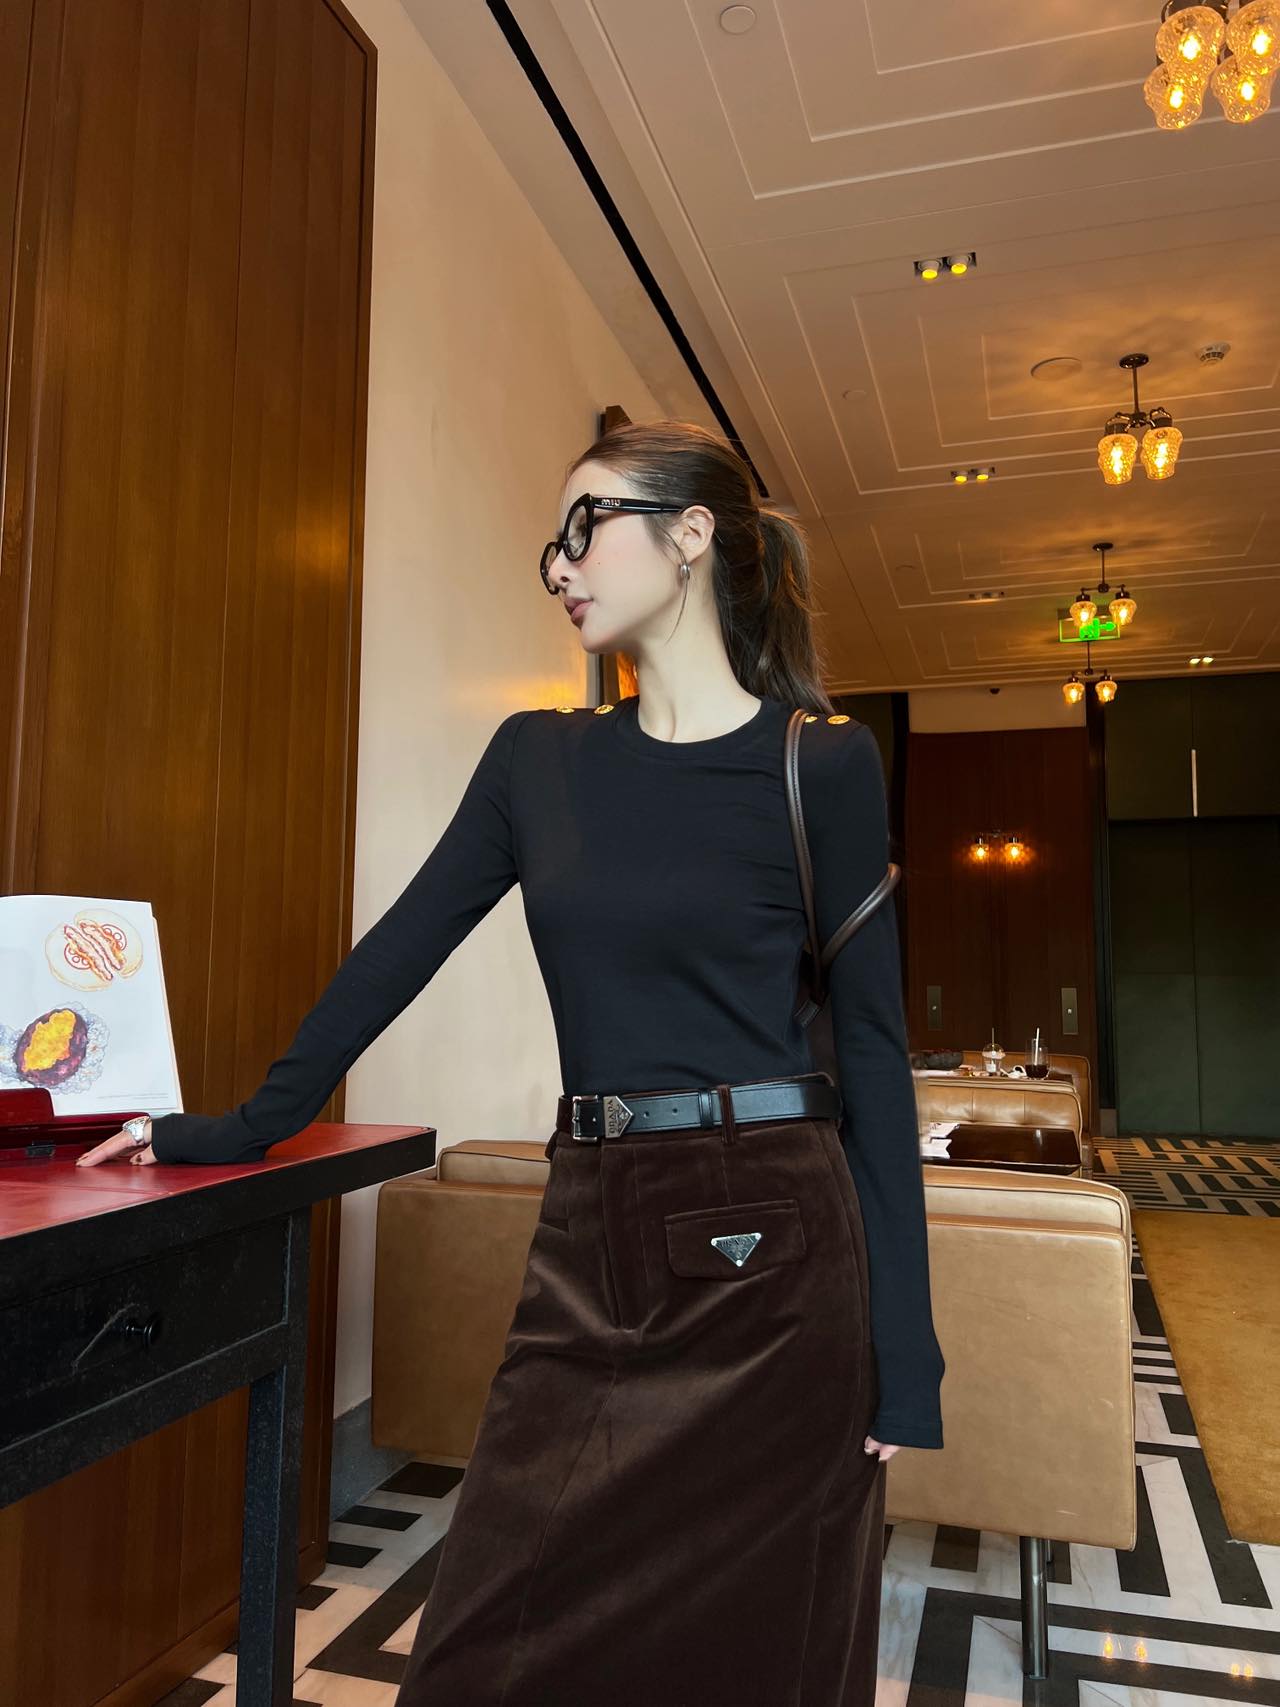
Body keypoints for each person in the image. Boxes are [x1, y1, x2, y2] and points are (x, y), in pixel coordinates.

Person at [76, 418, 945, 1704]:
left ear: (690, 535)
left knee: (763, 1654)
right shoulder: (539, 759)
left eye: (586, 525)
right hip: (592, 1222)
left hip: (777, 1249)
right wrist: (241, 1124)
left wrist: (905, 1353)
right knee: (485, 1645)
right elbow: (397, 951)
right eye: (553, 542)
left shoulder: (821, 763)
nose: (558, 565)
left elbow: (870, 1056)